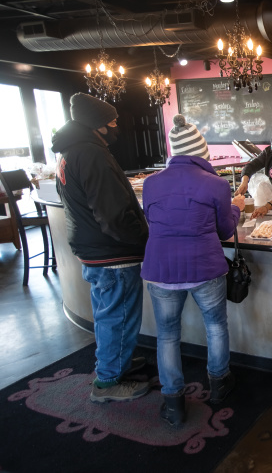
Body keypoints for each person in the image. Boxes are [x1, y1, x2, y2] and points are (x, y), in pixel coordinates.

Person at [141, 121, 244, 426]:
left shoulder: (151, 183)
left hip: (161, 269)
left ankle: (173, 403)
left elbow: (152, 220)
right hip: (204, 267)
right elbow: (225, 231)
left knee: (167, 335)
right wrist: (237, 207)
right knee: (215, 326)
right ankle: (219, 384)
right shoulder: (216, 184)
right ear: (202, 151)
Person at [51, 93, 150, 403]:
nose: (116, 126)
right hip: (112, 253)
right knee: (117, 316)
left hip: (94, 249)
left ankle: (118, 358)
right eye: (112, 121)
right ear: (97, 125)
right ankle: (107, 381)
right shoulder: (91, 154)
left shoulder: (68, 153)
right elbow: (113, 213)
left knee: (108, 313)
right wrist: (143, 240)